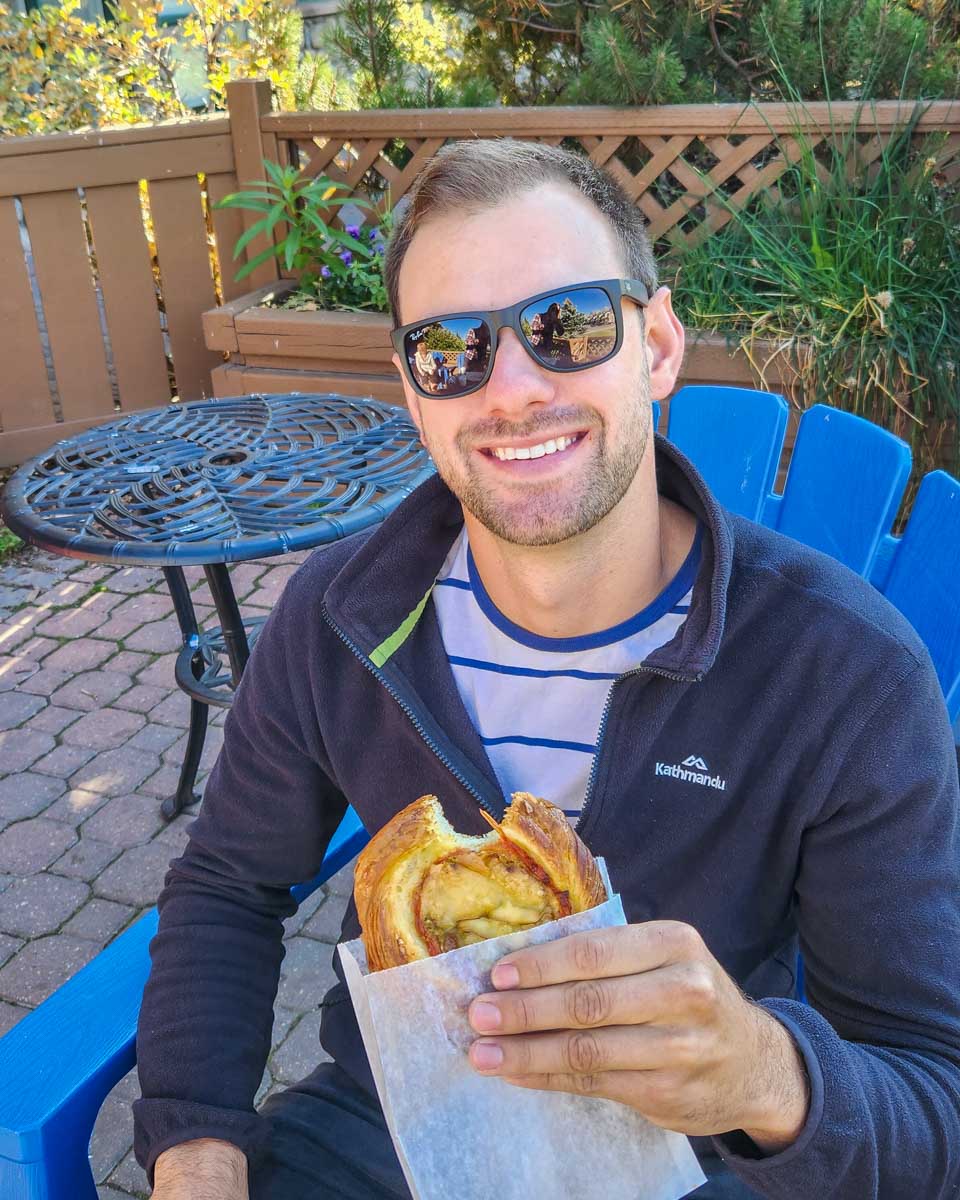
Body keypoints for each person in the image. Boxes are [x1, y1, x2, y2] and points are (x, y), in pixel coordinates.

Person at [135, 138, 960, 1200]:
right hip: (387, 1130)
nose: (511, 389)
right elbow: (227, 887)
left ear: (657, 346)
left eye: (566, 327)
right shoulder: (343, 620)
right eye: (450, 352)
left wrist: (763, 1073)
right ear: (412, 390)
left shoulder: (841, 675)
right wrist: (197, 1146)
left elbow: (932, 1099)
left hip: (697, 1158)